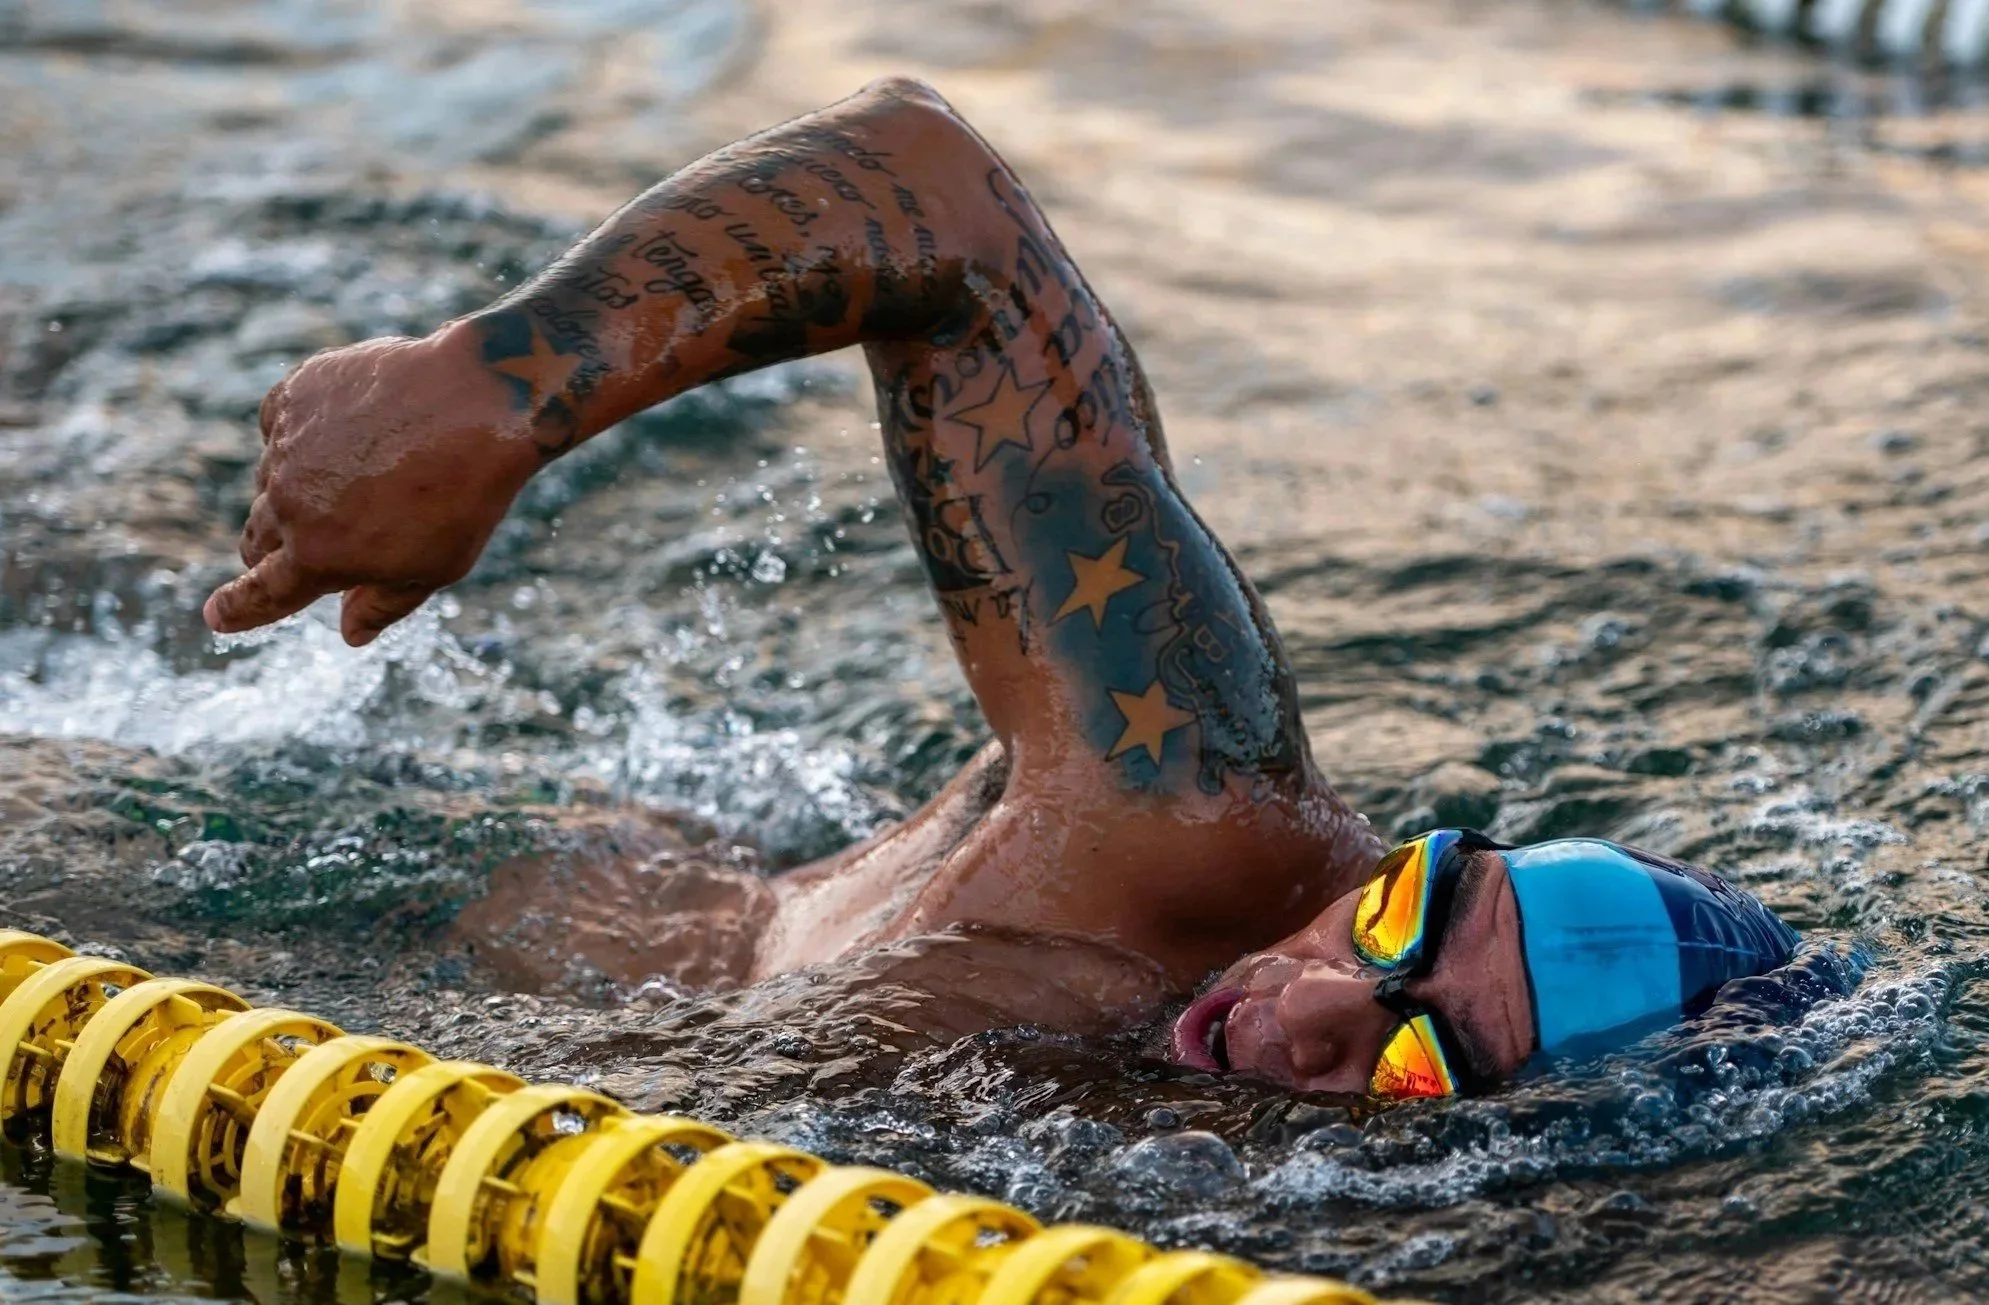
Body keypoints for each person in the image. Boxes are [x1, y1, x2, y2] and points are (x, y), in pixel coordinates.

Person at [202, 78, 1799, 1100]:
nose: (1319, 1007)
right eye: (1393, 915)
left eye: (1424, 1063)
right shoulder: (1183, 805)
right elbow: (937, 195)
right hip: (372, 874)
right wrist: (486, 395)